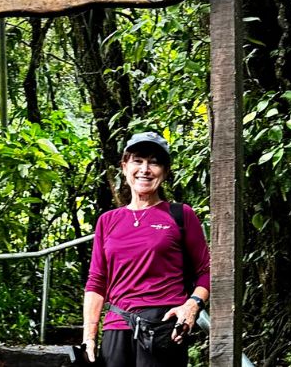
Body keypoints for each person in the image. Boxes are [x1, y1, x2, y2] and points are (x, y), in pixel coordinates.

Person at [82, 131, 211, 367]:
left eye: (154, 162)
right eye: (138, 161)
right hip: (116, 326)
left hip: (163, 327)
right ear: (124, 166)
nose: (145, 169)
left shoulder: (180, 215)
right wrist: (89, 336)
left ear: (165, 171)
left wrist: (192, 305)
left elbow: (206, 271)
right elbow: (96, 281)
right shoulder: (108, 220)